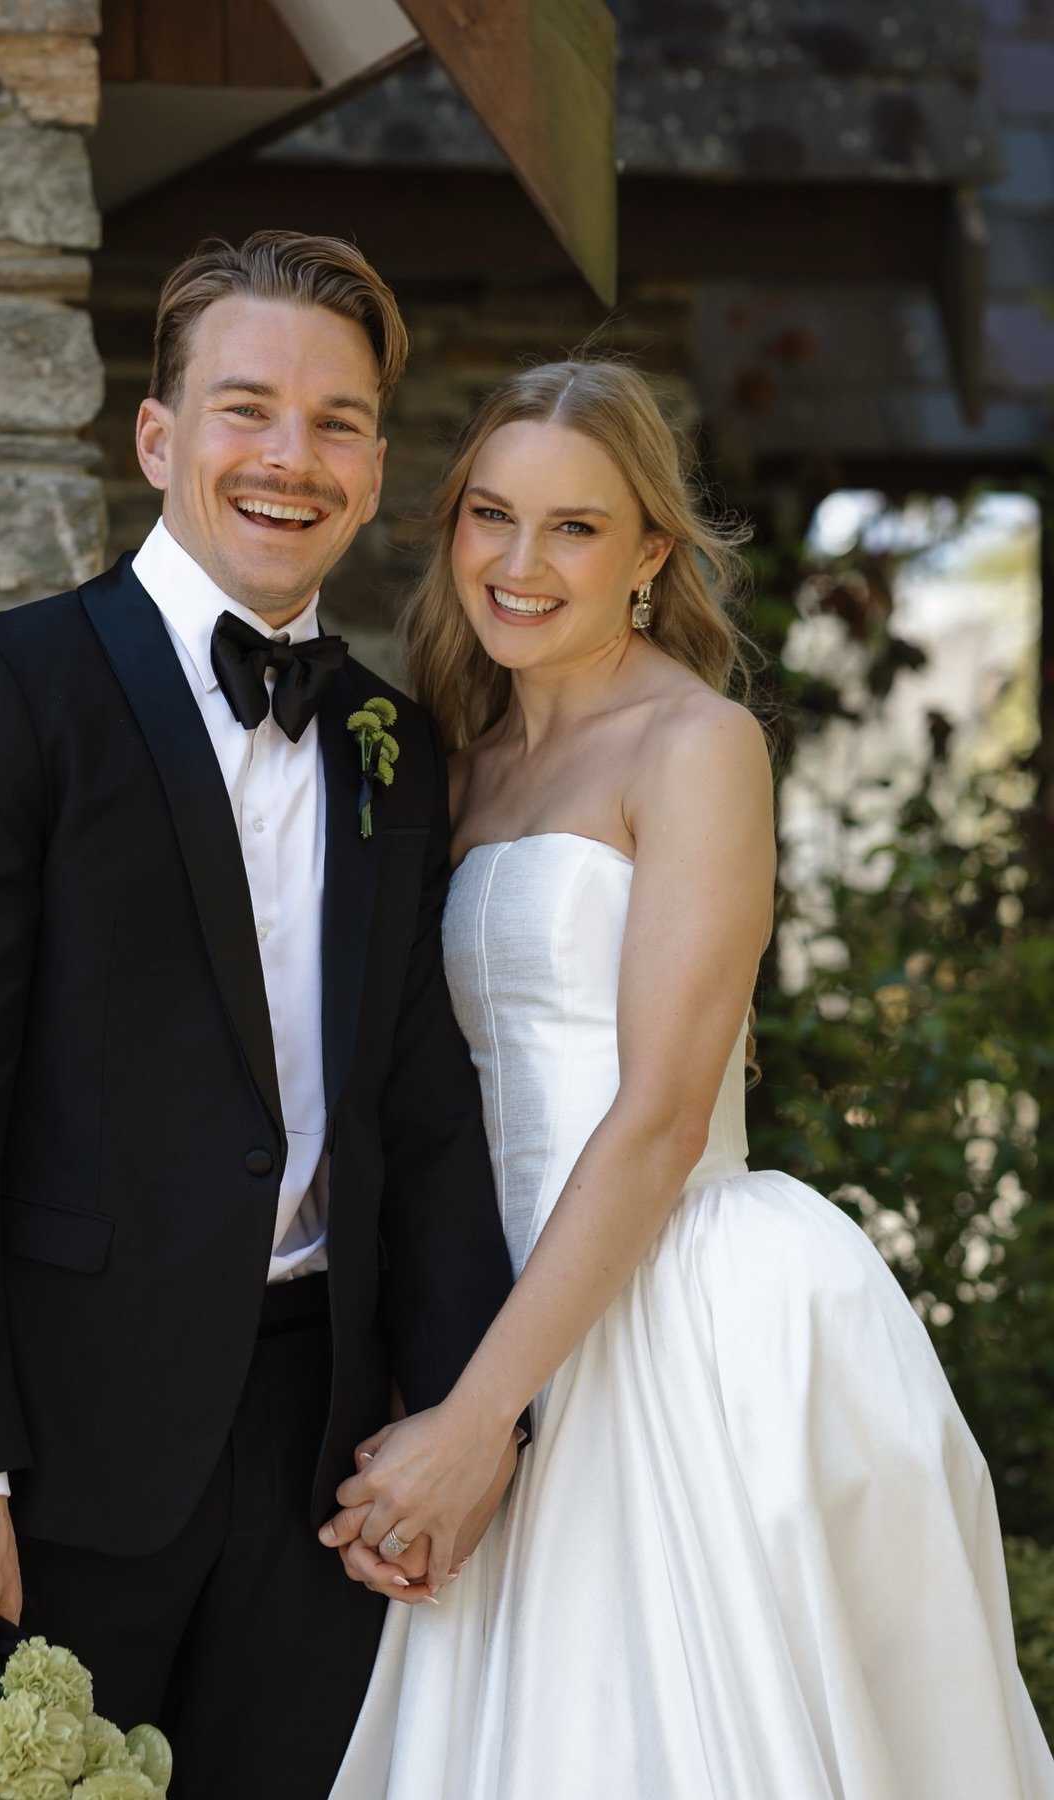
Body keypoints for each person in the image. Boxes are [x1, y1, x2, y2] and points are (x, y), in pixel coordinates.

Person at [0, 231, 519, 1800]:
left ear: (372, 462)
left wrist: (463, 1422)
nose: (293, 457)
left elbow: (419, 1118)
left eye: (339, 419)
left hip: (322, 1462)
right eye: (246, 408)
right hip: (52, 1458)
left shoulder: (391, 742)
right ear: (157, 438)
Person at [323, 359, 1054, 1798]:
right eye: (491, 514)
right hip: (497, 1306)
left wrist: (481, 1420)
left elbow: (657, 1117)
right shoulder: (456, 766)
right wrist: (440, 1375)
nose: (520, 564)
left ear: (654, 549)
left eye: (577, 527)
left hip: (668, 1313)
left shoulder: (700, 747)